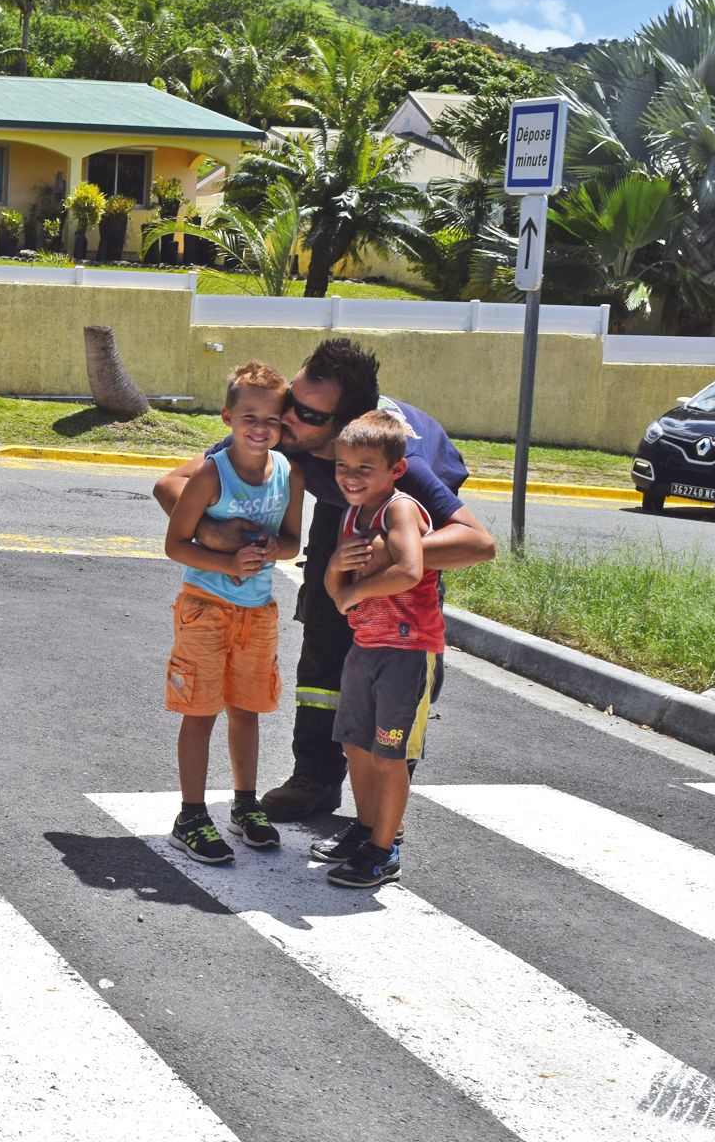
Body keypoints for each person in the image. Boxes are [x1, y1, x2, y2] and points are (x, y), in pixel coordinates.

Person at [151, 339, 496, 822]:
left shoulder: (399, 466)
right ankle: (314, 777)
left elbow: (476, 542)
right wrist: (211, 532)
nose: (285, 420)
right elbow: (172, 483)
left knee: (395, 648)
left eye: (308, 416)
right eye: (291, 401)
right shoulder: (284, 434)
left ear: (342, 428)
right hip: (342, 509)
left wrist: (388, 550)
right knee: (322, 636)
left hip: (398, 522)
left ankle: (380, 817)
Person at [161, 361, 306, 863]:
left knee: (247, 709)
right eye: (249, 416)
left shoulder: (289, 473)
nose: (260, 427)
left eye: (271, 419)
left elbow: (292, 541)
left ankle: (245, 804)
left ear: (283, 424)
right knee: (200, 711)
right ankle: (192, 814)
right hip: (206, 607)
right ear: (227, 416)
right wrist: (226, 560)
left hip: (258, 611)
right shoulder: (211, 473)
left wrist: (273, 549)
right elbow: (176, 544)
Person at [314, 411, 446, 888]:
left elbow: (410, 570)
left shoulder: (400, 509)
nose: (350, 476)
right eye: (342, 465)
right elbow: (337, 587)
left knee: (389, 754)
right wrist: (334, 567)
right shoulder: (353, 514)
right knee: (356, 745)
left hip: (406, 652)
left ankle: (383, 851)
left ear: (395, 470)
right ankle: (366, 829)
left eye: (364, 467)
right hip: (366, 646)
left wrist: (353, 594)